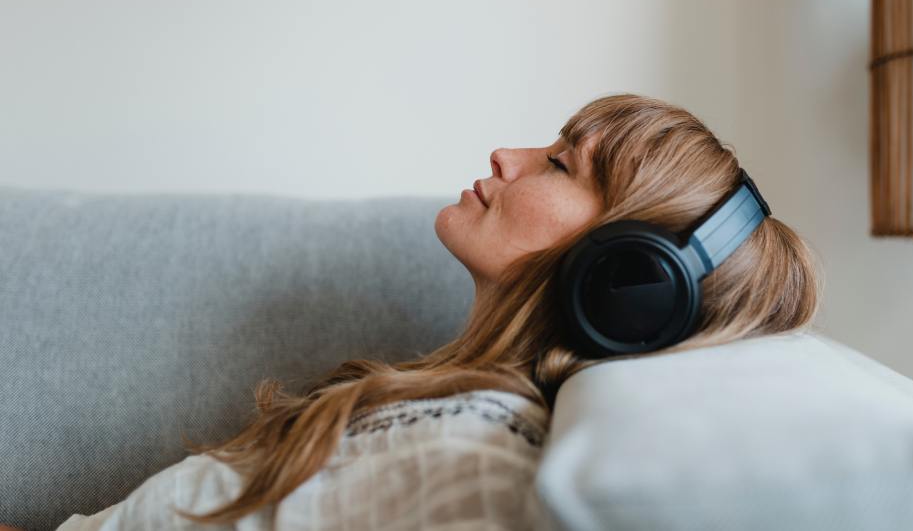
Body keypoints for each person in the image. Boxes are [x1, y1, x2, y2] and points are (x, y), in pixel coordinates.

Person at [36, 92, 821, 530]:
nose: (505, 156)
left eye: (558, 162)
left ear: (627, 277)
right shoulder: (440, 408)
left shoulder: (485, 460)